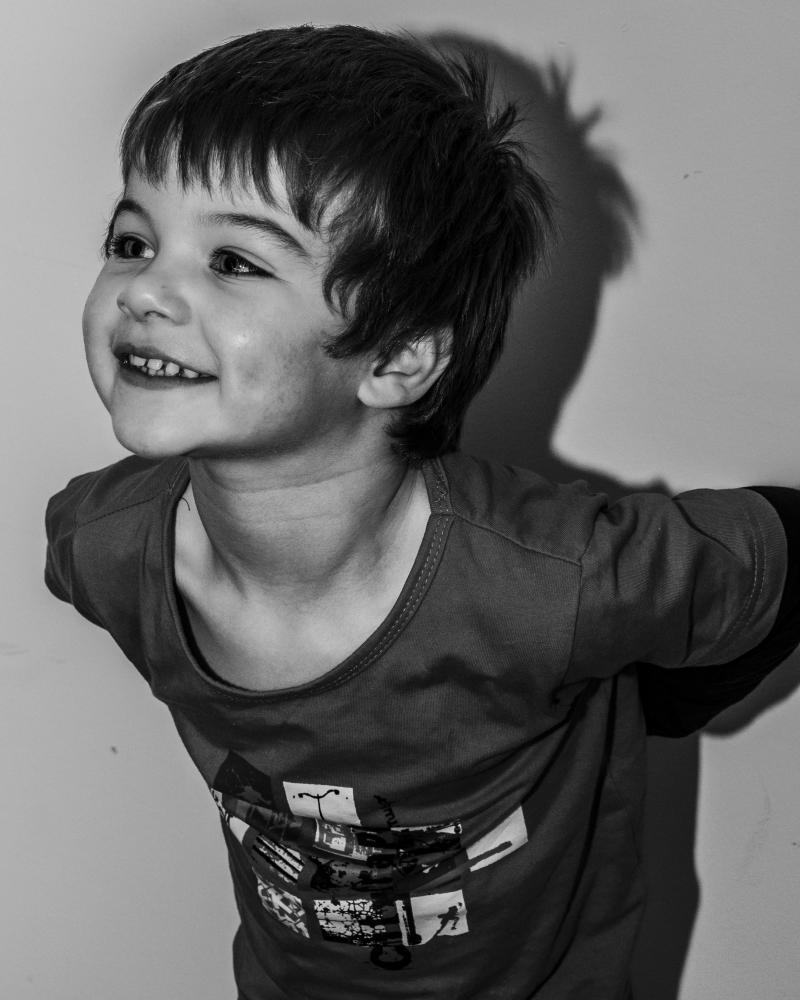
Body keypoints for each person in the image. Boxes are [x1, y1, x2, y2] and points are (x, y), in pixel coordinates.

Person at [44, 24, 800, 1000]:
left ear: (398, 358)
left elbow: (775, 559)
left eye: (233, 261)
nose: (146, 288)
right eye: (132, 242)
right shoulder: (99, 549)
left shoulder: (553, 580)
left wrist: (632, 695)